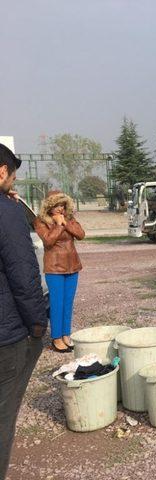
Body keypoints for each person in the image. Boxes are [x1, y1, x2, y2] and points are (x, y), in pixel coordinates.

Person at [0, 143, 48, 479]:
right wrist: (37, 323)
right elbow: (22, 271)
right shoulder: (7, 211)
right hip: (6, 334)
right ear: (2, 172)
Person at [34, 190, 85, 353]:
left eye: (62, 205)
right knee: (57, 303)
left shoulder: (69, 218)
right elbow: (48, 241)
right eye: (57, 205)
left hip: (73, 266)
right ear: (49, 205)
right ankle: (56, 338)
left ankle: (66, 335)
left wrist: (65, 222)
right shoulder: (40, 221)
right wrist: (57, 224)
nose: (60, 208)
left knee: (68, 303)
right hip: (54, 268)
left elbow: (81, 234)